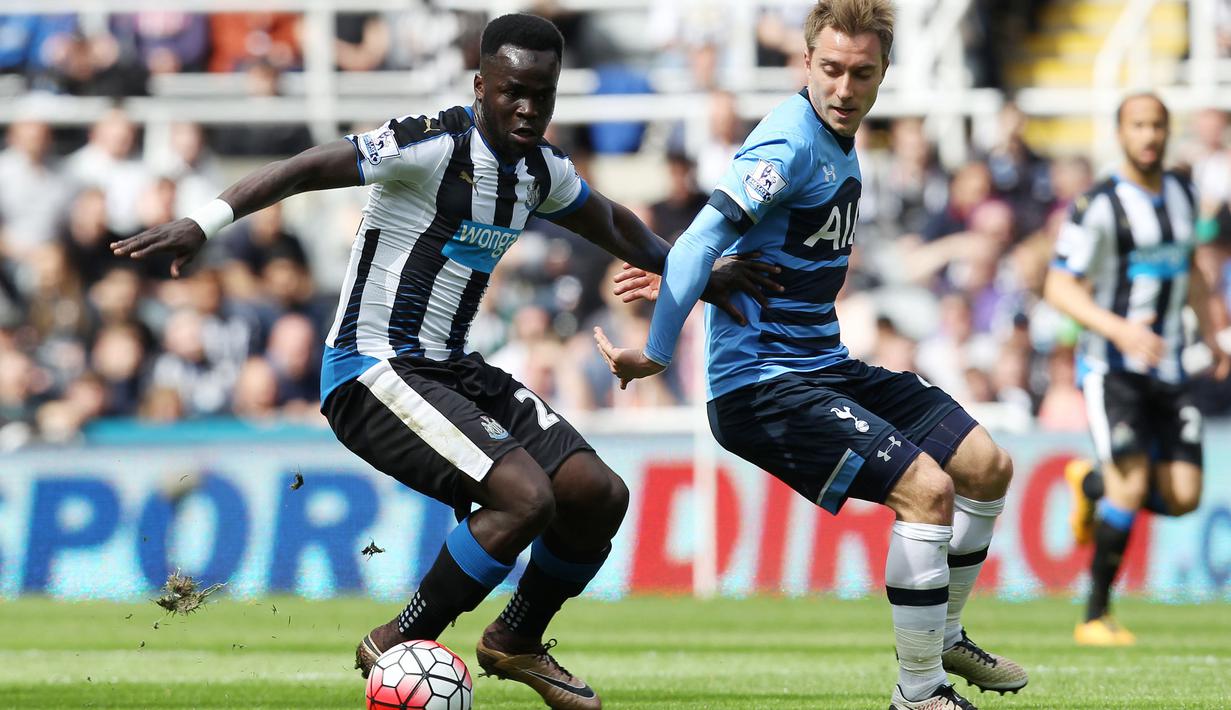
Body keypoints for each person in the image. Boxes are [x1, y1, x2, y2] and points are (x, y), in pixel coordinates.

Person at [112, 13, 774, 710]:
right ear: (480, 86)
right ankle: (398, 641)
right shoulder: (429, 145)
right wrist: (204, 222)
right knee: (525, 499)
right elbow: (305, 168)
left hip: (452, 367)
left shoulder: (540, 171)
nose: (528, 109)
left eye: (542, 94)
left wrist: (697, 273)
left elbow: (612, 224)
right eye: (513, 92)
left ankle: (516, 638)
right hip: (372, 370)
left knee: (597, 493)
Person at [592, 2, 1026, 708]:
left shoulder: (840, 142)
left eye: (861, 73)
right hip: (761, 384)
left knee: (984, 465)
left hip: (823, 365)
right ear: (805, 63)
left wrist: (705, 270)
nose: (844, 88)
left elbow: (737, 250)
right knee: (927, 492)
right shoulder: (788, 143)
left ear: (884, 72)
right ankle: (919, 691)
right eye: (830, 69)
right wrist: (659, 353)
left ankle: (942, 634)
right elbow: (700, 239)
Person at [1043, 92, 1231, 646]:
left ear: (1168, 132)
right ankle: (1094, 615)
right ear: (1121, 133)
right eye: (1138, 126)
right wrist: (1119, 330)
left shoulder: (1183, 193)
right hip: (1114, 368)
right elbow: (1059, 285)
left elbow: (1191, 271)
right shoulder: (1097, 204)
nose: (1149, 135)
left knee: (1183, 495)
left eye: (1157, 126)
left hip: (1170, 368)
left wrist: (1212, 335)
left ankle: (1091, 482)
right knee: (1130, 485)